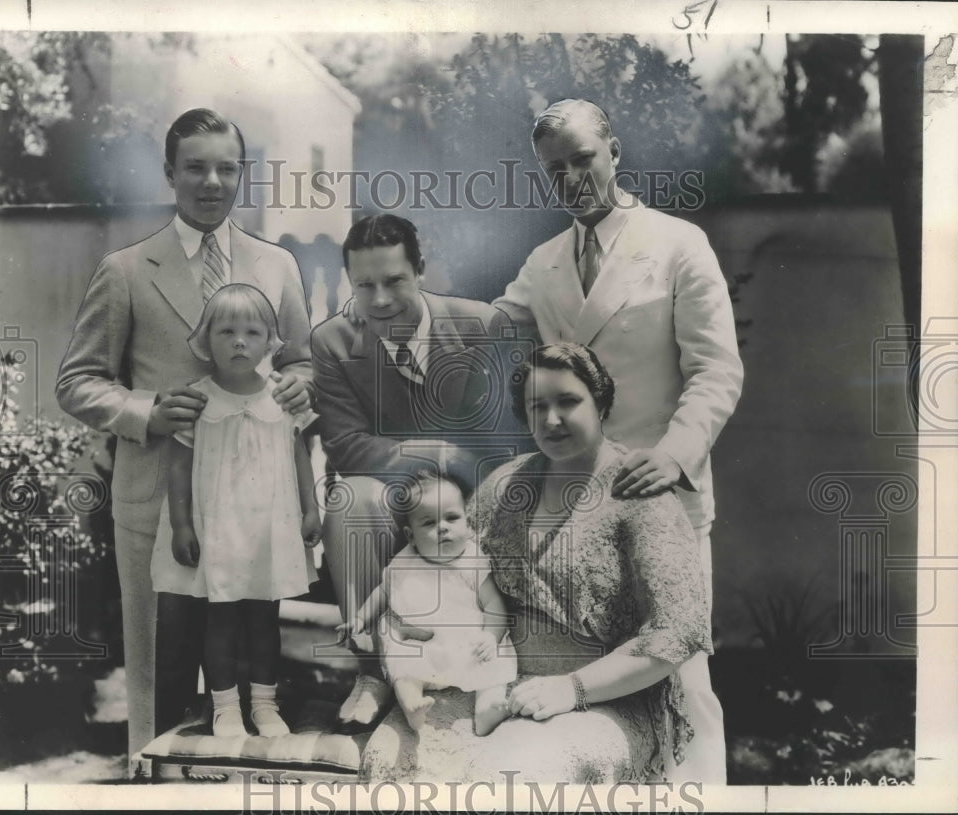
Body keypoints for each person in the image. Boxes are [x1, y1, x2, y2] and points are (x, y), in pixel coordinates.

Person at [491, 98, 743, 779]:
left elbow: (717, 368)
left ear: (615, 152)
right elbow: (488, 325)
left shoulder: (677, 243)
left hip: (658, 491)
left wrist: (674, 453)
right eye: (555, 169)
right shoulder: (545, 262)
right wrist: (403, 308)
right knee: (590, 683)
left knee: (681, 675)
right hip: (577, 503)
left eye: (583, 159)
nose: (572, 179)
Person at [55, 108, 313, 764]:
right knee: (157, 672)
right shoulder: (126, 269)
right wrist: (147, 410)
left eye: (226, 168)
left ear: (243, 174)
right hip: (157, 502)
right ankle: (151, 787)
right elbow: (77, 382)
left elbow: (302, 363)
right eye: (195, 167)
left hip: (254, 506)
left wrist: (298, 386)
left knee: (250, 660)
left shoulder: (277, 264)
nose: (211, 182)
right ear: (170, 173)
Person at [361, 343, 718, 783]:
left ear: (601, 403)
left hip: (603, 698)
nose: (551, 419)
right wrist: (407, 625)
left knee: (514, 777)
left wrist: (573, 687)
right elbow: (441, 569)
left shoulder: (641, 495)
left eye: (568, 401)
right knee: (389, 761)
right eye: (537, 407)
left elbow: (677, 633)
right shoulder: (506, 484)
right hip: (487, 680)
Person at [304, 213, 530, 728]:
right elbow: (346, 447)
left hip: (477, 496)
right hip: (395, 502)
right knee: (349, 499)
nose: (380, 299)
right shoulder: (332, 341)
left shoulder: (483, 326)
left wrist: (456, 474)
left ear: (421, 270)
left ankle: (489, 663)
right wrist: (441, 455)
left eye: (394, 281)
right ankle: (374, 673)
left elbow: (509, 440)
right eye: (364, 285)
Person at [152, 284, 319, 737]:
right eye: (226, 332)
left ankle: (265, 705)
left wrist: (311, 509)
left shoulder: (282, 396)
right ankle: (225, 707)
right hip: (220, 530)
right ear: (207, 340)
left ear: (270, 342)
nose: (239, 342)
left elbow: (300, 454)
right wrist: (181, 525)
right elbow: (178, 465)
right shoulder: (197, 399)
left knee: (265, 620)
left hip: (268, 528)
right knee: (220, 620)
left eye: (252, 332)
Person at [336, 471, 515, 735]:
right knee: (402, 663)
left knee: (494, 662)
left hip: (470, 643)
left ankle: (488, 707)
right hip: (423, 646)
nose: (443, 527)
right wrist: (361, 618)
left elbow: (493, 604)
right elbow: (382, 592)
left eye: (452, 518)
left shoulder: (472, 561)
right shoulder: (405, 562)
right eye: (429, 523)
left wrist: (491, 636)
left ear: (468, 524)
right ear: (411, 536)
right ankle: (412, 705)